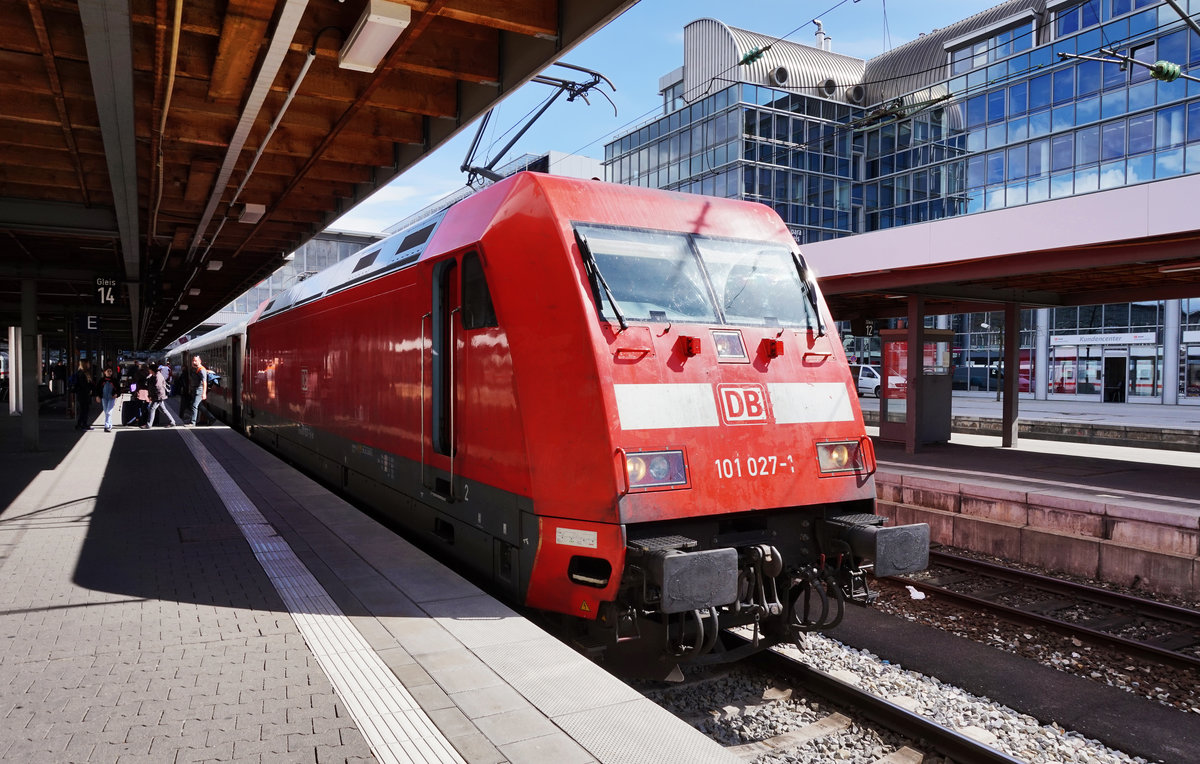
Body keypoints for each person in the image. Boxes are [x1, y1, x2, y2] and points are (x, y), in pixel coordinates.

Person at [142, 363, 178, 428]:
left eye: (149, 369)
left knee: (152, 409)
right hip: (158, 395)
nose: (148, 371)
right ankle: (172, 422)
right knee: (163, 409)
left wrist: (152, 395)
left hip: (158, 396)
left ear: (152, 370)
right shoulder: (154, 375)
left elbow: (157, 386)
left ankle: (149, 425)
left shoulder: (157, 376)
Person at [183, 355, 212, 426]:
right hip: (195, 389)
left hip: (200, 390)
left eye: (195, 360)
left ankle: (192, 422)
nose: (193, 362)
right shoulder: (193, 369)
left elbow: (204, 382)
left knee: (194, 405)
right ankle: (211, 418)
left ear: (200, 361)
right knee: (200, 406)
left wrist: (204, 393)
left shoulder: (202, 369)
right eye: (193, 360)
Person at [94, 367, 121, 432]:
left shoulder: (114, 380)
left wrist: (117, 394)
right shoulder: (102, 380)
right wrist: (97, 396)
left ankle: (106, 426)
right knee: (106, 412)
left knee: (109, 412)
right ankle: (110, 425)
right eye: (108, 371)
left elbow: (118, 389)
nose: (109, 372)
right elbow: (97, 389)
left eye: (110, 371)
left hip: (112, 398)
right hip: (104, 398)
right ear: (104, 372)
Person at [70, 360, 94, 430]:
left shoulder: (80, 373)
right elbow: (84, 385)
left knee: (83, 410)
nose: (89, 365)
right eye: (88, 363)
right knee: (84, 410)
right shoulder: (82, 374)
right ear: (85, 364)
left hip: (81, 394)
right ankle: (82, 424)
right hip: (83, 395)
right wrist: (90, 388)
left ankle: (81, 424)